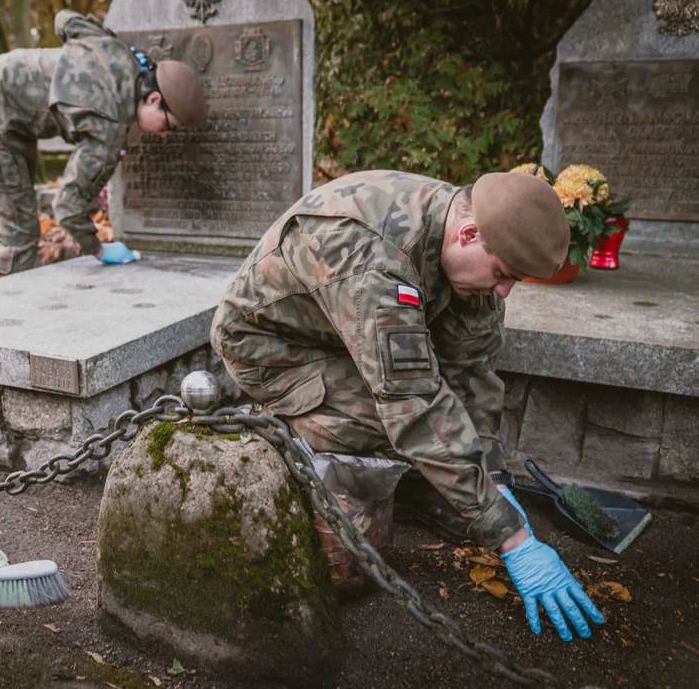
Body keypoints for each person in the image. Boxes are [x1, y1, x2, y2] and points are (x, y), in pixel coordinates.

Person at [211, 169, 605, 642]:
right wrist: (513, 539)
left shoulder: (469, 243)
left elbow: (472, 372)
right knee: (396, 422)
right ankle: (306, 433)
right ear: (469, 234)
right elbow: (412, 405)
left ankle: (438, 486)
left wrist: (496, 483)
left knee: (440, 417)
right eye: (502, 274)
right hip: (272, 345)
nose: (504, 292)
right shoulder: (374, 262)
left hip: (343, 331)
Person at [0, 9, 207, 281]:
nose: (165, 135)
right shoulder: (108, 125)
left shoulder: (118, 52)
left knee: (9, 208)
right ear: (153, 99)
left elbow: (64, 20)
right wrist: (98, 249)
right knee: (21, 230)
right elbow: (67, 205)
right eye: (168, 126)